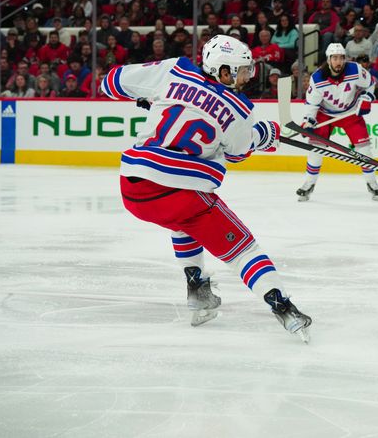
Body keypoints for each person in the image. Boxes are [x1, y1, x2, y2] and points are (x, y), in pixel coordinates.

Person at [101, 34, 311, 340]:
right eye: (241, 70)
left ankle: (198, 291)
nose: (246, 76)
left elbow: (111, 83)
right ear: (223, 71)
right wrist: (263, 135)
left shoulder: (175, 69)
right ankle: (284, 307)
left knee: (182, 223)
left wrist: (150, 96)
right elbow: (238, 152)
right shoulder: (240, 107)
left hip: (133, 187)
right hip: (181, 191)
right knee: (243, 249)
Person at [296, 43, 378, 201]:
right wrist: (308, 121)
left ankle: (372, 183)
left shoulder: (355, 70)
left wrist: (366, 98)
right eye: (334, 58)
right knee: (316, 148)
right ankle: (309, 183)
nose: (338, 62)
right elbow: (312, 104)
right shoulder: (317, 78)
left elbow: (370, 84)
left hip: (350, 113)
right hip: (324, 115)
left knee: (364, 150)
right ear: (328, 60)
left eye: (341, 58)